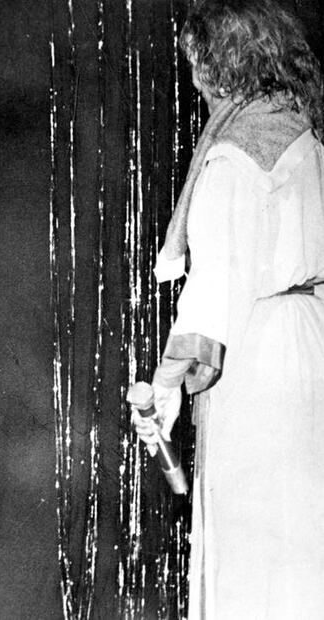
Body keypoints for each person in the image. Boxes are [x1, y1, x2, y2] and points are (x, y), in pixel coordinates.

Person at [132, 1, 324, 617]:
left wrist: (167, 387)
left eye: (195, 63)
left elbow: (218, 284)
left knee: (253, 533)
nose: (193, 79)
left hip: (259, 354)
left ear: (222, 64)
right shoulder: (305, 134)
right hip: (310, 338)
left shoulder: (236, 153)